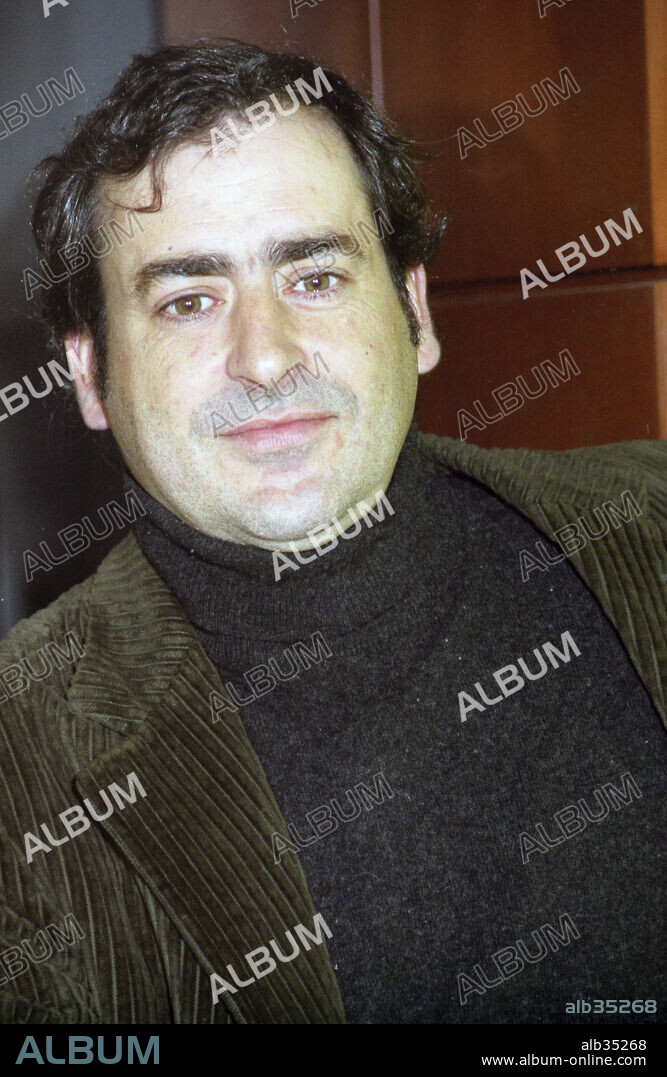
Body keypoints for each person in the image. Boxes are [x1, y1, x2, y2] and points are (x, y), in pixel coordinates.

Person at [0, 40, 664, 1025]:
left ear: (413, 312)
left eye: (313, 277)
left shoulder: (648, 518)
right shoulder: (18, 758)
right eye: (189, 300)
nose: (266, 358)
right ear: (91, 376)